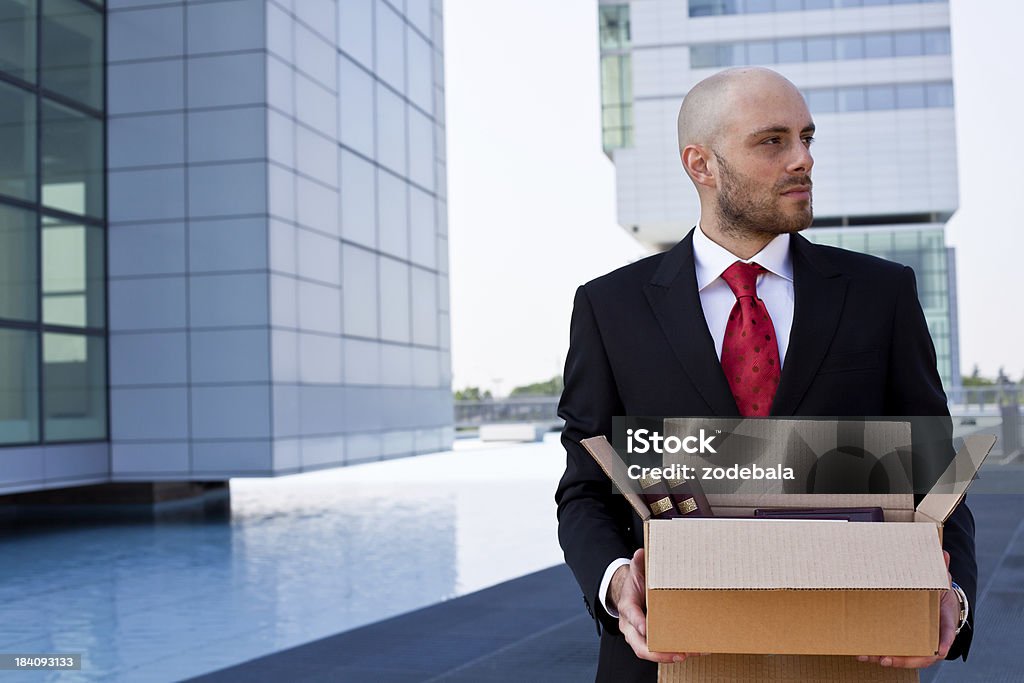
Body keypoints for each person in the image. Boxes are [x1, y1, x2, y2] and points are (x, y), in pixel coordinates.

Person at [554, 67, 975, 682]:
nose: (803, 159)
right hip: (670, 658)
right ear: (701, 164)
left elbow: (936, 472)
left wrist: (953, 597)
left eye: (807, 137)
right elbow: (584, 487)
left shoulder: (881, 294)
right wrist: (618, 582)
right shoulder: (608, 308)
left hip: (856, 651)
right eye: (773, 141)